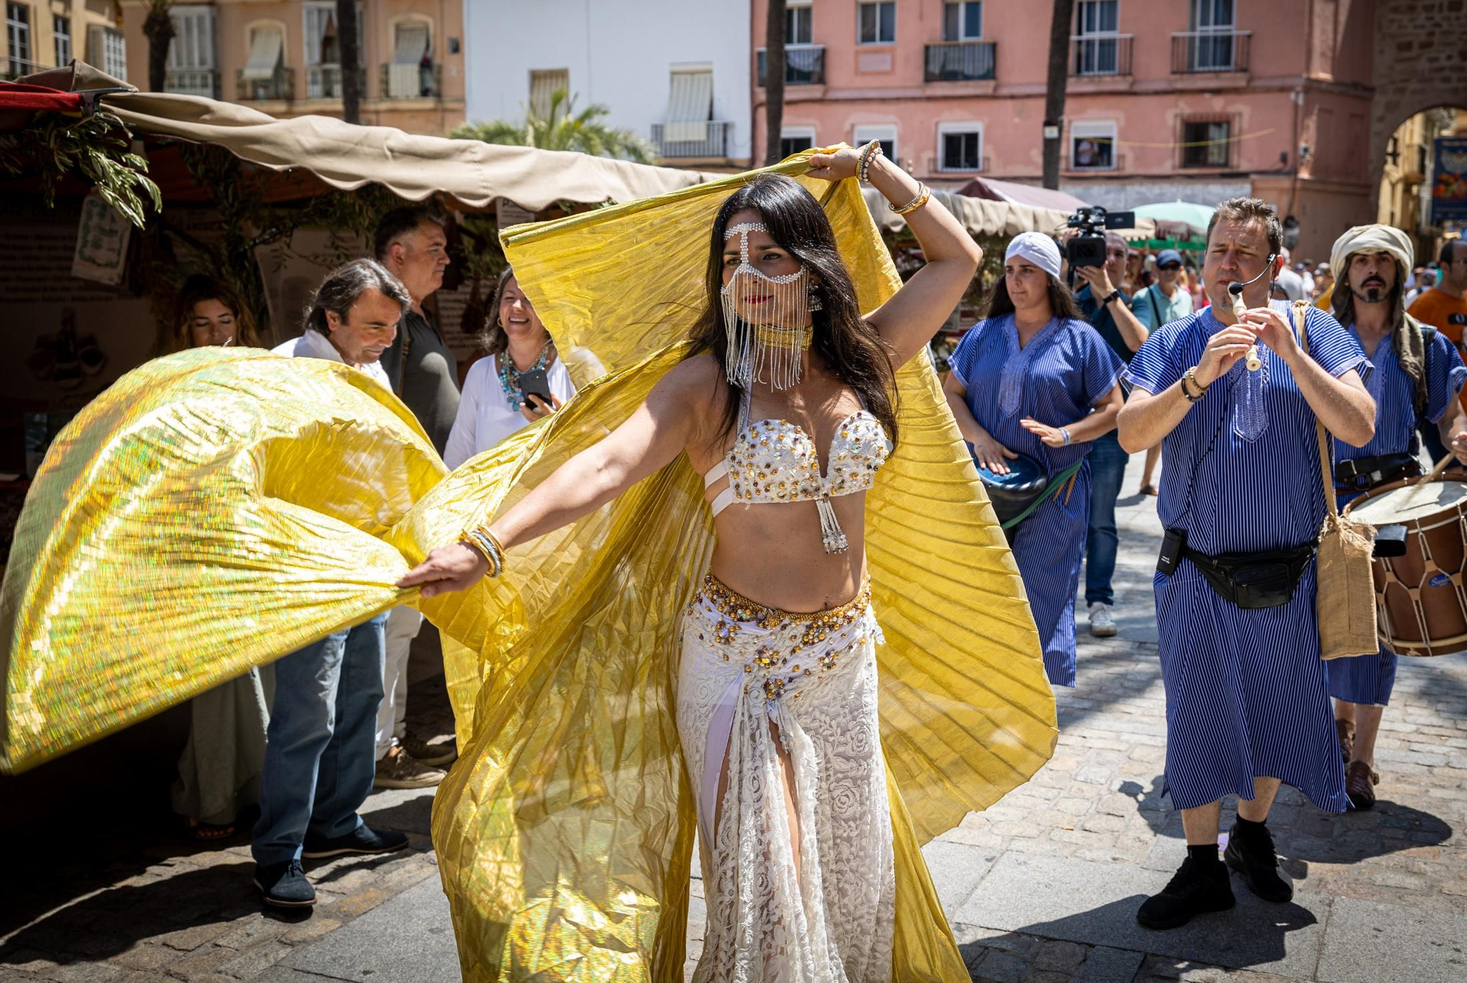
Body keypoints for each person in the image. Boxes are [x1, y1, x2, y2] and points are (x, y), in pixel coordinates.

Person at [400, 148, 1020, 977]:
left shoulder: (866, 357)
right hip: (738, 667)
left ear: (814, 262)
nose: (750, 274)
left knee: (845, 881)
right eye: (733, 259)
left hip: (842, 661)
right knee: (765, 889)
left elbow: (960, 259)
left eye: (770, 254)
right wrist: (488, 543)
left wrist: (873, 167)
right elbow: (605, 466)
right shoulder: (709, 384)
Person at [1118, 198, 1376, 930]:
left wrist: (1293, 354)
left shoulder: (1314, 330)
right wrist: (1197, 377)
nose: (1227, 265)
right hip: (1194, 572)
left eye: (1244, 252)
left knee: (1270, 712)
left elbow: (1361, 423)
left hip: (1290, 576)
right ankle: (1202, 863)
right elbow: (1133, 434)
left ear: (1276, 264)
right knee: (1196, 717)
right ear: (1201, 262)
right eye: (1218, 251)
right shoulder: (1174, 339)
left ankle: (1253, 836)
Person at [257, 259, 414, 908]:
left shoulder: (369, 366)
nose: (386, 339)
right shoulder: (286, 367)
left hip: (369, 562)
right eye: (375, 325)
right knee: (306, 714)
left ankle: (336, 820)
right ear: (332, 317)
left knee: (362, 697)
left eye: (393, 328)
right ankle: (278, 854)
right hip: (310, 569)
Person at [1319, 225, 1467, 809]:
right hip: (1329, 499)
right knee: (1335, 617)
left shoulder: (1425, 343)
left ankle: (1361, 761)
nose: (1371, 270)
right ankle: (1337, 724)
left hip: (1395, 498)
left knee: (1380, 627)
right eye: (1360, 260)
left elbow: (1448, 417)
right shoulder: (1320, 336)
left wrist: (1460, 441)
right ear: (1345, 273)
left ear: (1400, 272)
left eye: (1383, 260)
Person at [943, 232, 1125, 677]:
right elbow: (951, 394)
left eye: (1027, 271)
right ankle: (982, 692)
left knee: (1041, 595)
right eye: (1009, 270)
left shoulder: (1080, 339)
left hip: (1055, 494)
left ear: (1050, 278)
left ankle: (1029, 704)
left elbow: (1114, 408)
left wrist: (1067, 434)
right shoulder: (983, 335)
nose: (1015, 281)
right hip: (985, 490)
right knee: (980, 589)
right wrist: (980, 439)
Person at [164, 276, 272, 840]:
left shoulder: (257, 371)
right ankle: (209, 795)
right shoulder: (170, 382)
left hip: (253, 530)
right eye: (203, 322)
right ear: (185, 329)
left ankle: (256, 789)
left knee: (262, 667)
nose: (216, 333)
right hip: (200, 534)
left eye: (225, 320)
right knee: (216, 675)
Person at [374, 205, 460, 787]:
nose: (446, 257)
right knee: (391, 628)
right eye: (434, 247)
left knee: (402, 628)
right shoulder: (386, 320)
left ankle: (391, 741)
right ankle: (381, 752)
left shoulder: (418, 318)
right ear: (396, 254)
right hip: (395, 500)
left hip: (421, 498)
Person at [1068, 230, 1146, 638]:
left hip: (1112, 434)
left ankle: (1100, 601)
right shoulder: (1071, 301)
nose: (1108, 259)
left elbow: (1142, 344)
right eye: (1101, 252)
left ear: (1127, 262)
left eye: (1117, 253)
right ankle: (1058, 600)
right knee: (1060, 519)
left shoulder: (1136, 304)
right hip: (1068, 430)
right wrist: (1066, 274)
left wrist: (1109, 295)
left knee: (1100, 520)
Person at [443, 268, 579, 469]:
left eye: (529, 299)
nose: (517, 306)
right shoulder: (480, 373)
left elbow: (602, 448)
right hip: (491, 499)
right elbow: (458, 455)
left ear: (549, 310)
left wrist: (559, 431)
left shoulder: (573, 369)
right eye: (509, 297)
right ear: (499, 309)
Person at [1408, 241, 1467, 469]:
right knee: (1455, 478)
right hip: (1441, 412)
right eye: (1464, 262)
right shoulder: (1424, 305)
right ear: (1444, 267)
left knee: (1463, 475)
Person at [1131, 250, 1195, 497]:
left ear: (1180, 270)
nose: (1169, 271)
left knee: (1176, 429)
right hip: (1153, 372)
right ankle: (1147, 480)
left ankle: (1161, 481)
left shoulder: (1186, 297)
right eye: (1164, 266)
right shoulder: (1143, 297)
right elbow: (1141, 337)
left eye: (1174, 266)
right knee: (1155, 428)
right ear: (1156, 270)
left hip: (1181, 371)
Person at [164, 275, 264, 352]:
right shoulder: (176, 376)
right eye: (202, 324)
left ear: (239, 325)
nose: (215, 332)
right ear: (187, 331)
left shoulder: (259, 370)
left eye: (225, 321)